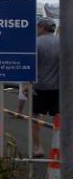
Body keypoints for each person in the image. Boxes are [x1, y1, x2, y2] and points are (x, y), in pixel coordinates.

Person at [31, 17, 60, 156]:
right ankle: (60, 147)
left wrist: (26, 85)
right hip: (58, 87)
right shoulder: (62, 42)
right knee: (59, 117)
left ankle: (38, 147)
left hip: (39, 86)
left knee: (35, 116)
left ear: (42, 27)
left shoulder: (36, 42)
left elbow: (31, 65)